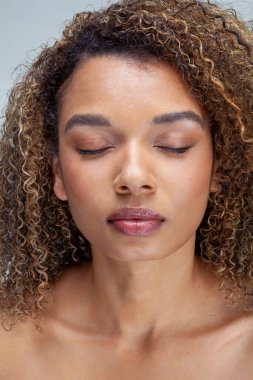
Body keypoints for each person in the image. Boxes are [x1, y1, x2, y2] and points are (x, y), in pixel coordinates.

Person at [0, 0, 253, 378]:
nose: (133, 178)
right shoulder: (8, 341)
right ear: (56, 174)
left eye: (173, 144)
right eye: (94, 146)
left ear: (221, 165)